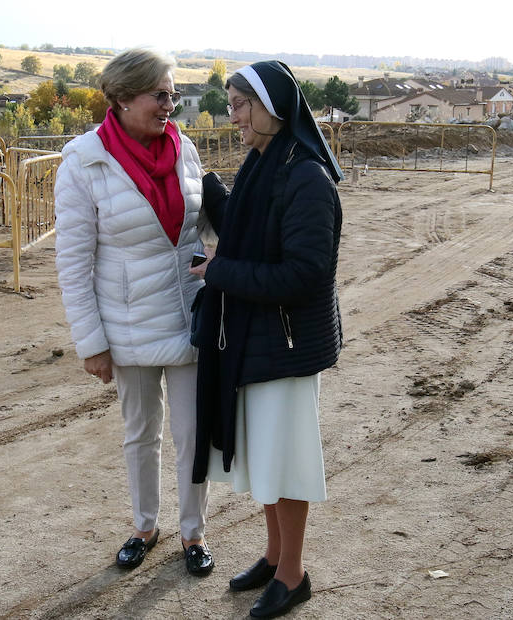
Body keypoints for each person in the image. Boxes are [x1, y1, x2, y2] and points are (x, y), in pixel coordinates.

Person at [188, 60, 343, 618]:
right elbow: (247, 234)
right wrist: (201, 181)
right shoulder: (263, 163)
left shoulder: (305, 176)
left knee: (287, 462)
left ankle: (294, 573)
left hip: (288, 344)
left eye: (239, 106)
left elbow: (302, 274)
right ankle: (276, 557)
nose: (233, 118)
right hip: (259, 339)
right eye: (230, 106)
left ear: (272, 106)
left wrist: (219, 272)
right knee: (268, 459)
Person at [54, 48, 214, 576]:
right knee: (140, 432)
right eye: (160, 95)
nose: (171, 104)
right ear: (122, 98)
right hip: (125, 324)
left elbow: (202, 225)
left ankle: (193, 533)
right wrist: (91, 342)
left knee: (193, 432)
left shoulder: (185, 147)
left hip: (189, 317)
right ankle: (145, 526)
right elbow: (74, 262)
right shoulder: (84, 161)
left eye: (173, 93)